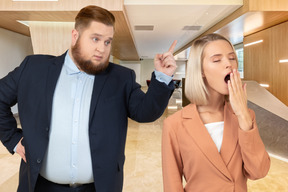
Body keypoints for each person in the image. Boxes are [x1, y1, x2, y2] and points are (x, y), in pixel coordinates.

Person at [0, 5, 177, 192]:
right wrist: (12, 139)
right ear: (75, 36)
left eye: (107, 42)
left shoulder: (120, 78)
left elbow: (145, 112)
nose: (102, 48)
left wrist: (163, 77)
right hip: (41, 186)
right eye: (95, 39)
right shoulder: (34, 68)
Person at [161, 33, 270, 192]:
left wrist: (243, 116)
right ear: (201, 70)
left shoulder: (246, 116)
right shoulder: (174, 125)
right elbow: (172, 187)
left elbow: (259, 171)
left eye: (232, 58)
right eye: (217, 60)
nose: (229, 64)